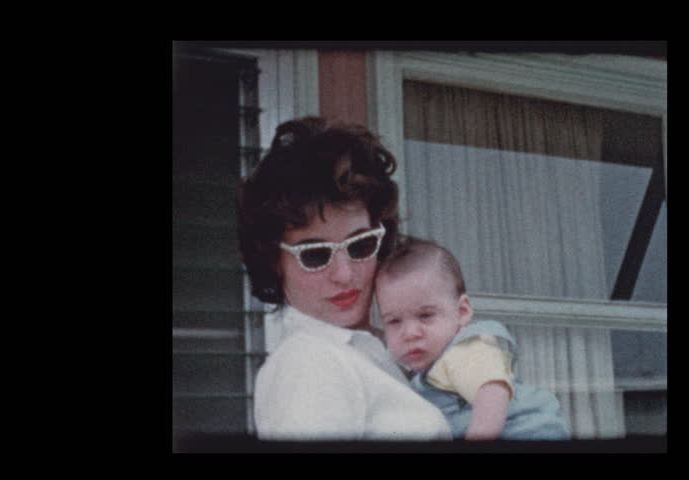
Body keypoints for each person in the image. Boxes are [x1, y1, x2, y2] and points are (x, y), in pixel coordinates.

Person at [236, 117, 451, 441]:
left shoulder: (378, 348)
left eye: (360, 245)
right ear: (274, 261)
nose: (344, 274)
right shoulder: (308, 363)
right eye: (314, 254)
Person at [375, 236, 571, 441]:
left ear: (462, 312)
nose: (410, 333)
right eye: (394, 321)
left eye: (425, 315)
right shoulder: (420, 371)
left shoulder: (465, 350)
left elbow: (492, 393)